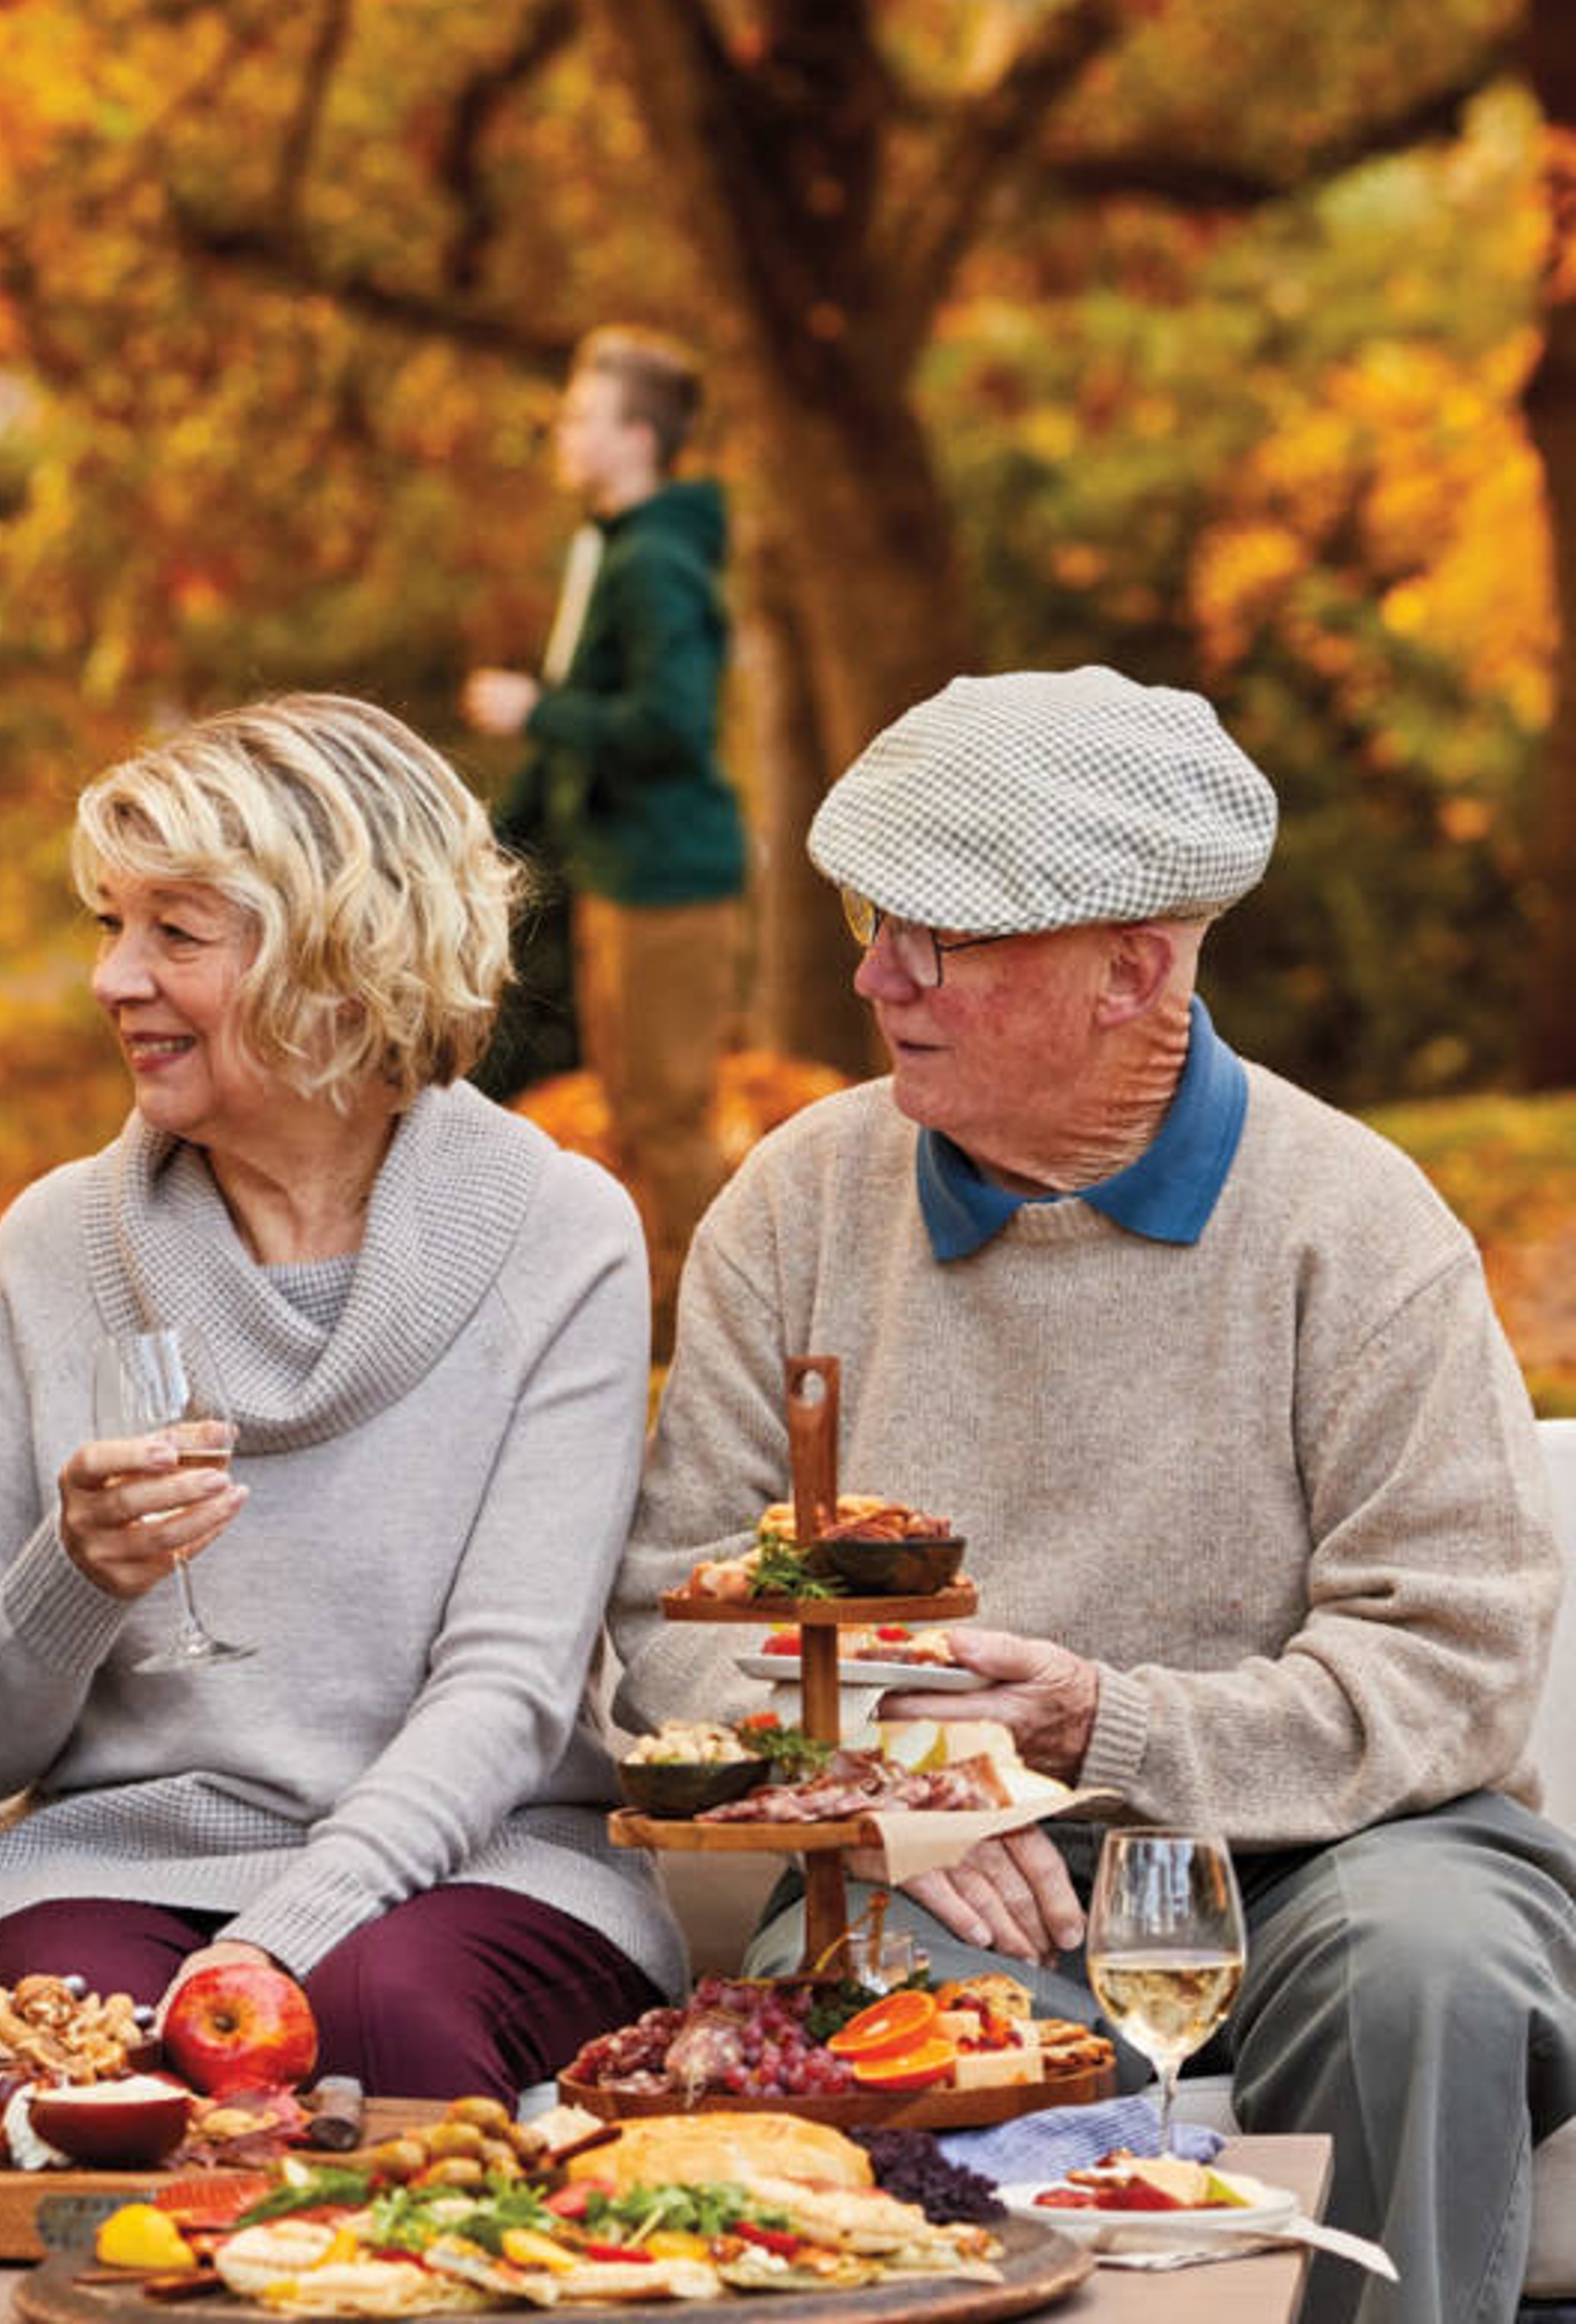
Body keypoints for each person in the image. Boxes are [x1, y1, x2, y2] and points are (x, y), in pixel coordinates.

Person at [613, 665, 1576, 2324]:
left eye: (941, 940)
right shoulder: (799, 1206)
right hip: (938, 1870)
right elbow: (667, 1600)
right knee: (869, 2003)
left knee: (1435, 1976)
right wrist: (891, 1800)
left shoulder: (1354, 1224)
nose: (872, 975)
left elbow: (1457, 1660)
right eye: (871, 921)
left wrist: (1107, 1730)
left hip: (1335, 1849)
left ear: (1131, 967)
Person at [0, 692, 683, 2098]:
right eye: (110, 927)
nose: (113, 979)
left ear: (345, 959)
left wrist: (279, 1939)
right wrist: (73, 1577)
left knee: (378, 2023)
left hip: (487, 1861)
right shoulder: (57, 1244)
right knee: (73, 2083)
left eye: (176, 935)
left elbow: (506, 1688)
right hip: (115, 1863)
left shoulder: (559, 1229)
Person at [462, 326, 747, 1345]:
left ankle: (729, 1332)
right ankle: (670, 1325)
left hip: (673, 877)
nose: (563, 433)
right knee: (633, 1106)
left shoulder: (656, 562)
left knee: (670, 1113)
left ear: (635, 436)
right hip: (621, 871)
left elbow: (673, 726)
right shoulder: (617, 548)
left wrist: (535, 710)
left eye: (582, 416)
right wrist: (487, 842)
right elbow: (599, 718)